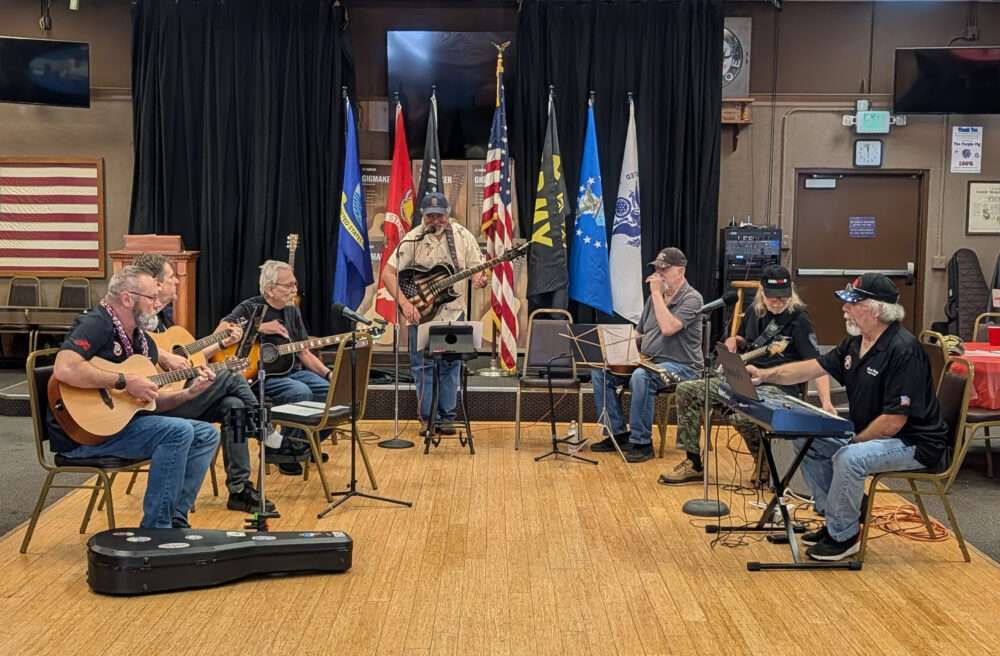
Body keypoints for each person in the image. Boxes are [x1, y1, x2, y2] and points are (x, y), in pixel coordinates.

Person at [747, 273, 948, 561]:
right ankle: (836, 519)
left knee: (848, 458)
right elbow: (811, 368)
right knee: (806, 437)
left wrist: (851, 442)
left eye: (853, 303)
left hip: (914, 443)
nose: (844, 308)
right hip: (869, 433)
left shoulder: (904, 350)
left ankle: (844, 537)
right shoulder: (855, 343)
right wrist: (765, 374)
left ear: (876, 310)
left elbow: (893, 422)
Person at [45, 266, 220, 529]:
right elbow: (64, 368)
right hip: (84, 434)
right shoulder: (97, 323)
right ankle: (156, 530)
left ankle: (176, 519)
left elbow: (152, 402)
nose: (157, 304)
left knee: (207, 434)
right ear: (127, 298)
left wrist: (188, 393)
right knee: (178, 432)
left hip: (123, 426)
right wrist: (123, 380)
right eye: (151, 298)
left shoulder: (140, 337)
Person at [659, 265, 836, 485]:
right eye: (773, 298)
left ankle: (762, 462)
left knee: (741, 415)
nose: (778, 303)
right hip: (746, 377)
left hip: (779, 385)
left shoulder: (798, 319)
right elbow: (746, 339)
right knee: (688, 389)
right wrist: (736, 341)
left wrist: (826, 402)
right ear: (762, 292)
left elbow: (817, 365)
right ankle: (693, 462)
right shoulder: (755, 311)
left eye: (783, 298)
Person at [133, 253, 275, 513]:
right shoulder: (134, 317)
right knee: (230, 374)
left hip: (180, 389)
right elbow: (135, 356)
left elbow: (187, 358)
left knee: (234, 406)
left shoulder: (163, 318)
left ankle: (240, 489)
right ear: (155, 283)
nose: (177, 281)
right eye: (172, 277)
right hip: (155, 402)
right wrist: (162, 356)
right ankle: (263, 424)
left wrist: (221, 343)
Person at [380, 191, 489, 434]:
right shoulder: (412, 239)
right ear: (422, 217)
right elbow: (388, 273)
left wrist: (479, 278)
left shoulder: (461, 236)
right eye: (430, 217)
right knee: (423, 366)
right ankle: (427, 418)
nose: (435, 221)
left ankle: (447, 417)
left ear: (447, 215)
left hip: (453, 312)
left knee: (451, 364)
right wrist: (406, 304)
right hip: (422, 313)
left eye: (439, 216)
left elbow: (475, 268)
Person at [590, 247, 703, 463]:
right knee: (600, 371)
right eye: (657, 269)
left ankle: (642, 442)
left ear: (680, 271)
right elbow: (640, 332)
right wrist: (614, 348)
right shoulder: (655, 300)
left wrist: (655, 293)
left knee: (641, 376)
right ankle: (617, 433)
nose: (659, 274)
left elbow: (669, 327)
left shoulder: (692, 298)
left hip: (682, 366)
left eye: (664, 270)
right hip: (648, 360)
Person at [221, 260, 331, 476]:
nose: (294, 289)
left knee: (329, 391)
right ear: (270, 289)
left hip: (291, 372)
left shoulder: (292, 312)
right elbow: (222, 331)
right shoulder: (250, 307)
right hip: (259, 378)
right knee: (299, 392)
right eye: (288, 285)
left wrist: (328, 373)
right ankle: (280, 451)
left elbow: (304, 352)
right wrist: (258, 327)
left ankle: (299, 445)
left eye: (295, 284)